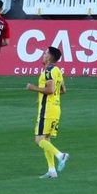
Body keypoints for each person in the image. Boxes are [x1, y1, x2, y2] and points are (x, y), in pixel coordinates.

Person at [25, 46, 69, 179]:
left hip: (47, 110)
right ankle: (52, 170)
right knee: (46, 140)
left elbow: (50, 90)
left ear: (50, 57)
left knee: (39, 140)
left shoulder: (49, 71)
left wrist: (33, 88)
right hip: (55, 108)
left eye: (45, 54)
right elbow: (62, 90)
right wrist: (43, 97)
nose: (43, 55)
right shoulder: (57, 71)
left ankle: (61, 155)